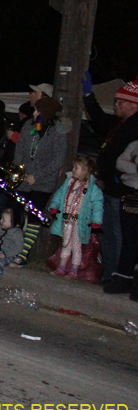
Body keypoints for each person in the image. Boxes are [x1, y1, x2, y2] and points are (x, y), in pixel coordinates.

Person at [82, 74, 138, 284]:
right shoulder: (121, 123)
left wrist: (117, 175)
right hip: (109, 188)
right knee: (106, 233)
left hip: (122, 191)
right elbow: (99, 118)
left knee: (120, 234)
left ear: (133, 105)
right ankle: (110, 272)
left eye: (120, 102)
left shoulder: (134, 127)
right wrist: (88, 95)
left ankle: (120, 275)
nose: (115, 105)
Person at [8, 96, 66, 265]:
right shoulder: (29, 126)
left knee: (34, 215)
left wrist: (37, 176)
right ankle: (6, 249)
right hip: (23, 178)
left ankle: (23, 255)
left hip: (43, 182)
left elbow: (58, 160)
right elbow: (19, 150)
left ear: (45, 114)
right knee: (13, 211)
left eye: (37, 111)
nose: (33, 113)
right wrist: (19, 170)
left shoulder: (58, 132)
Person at [45, 157, 103, 278]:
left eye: (76, 167)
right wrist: (54, 207)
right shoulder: (69, 182)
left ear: (86, 170)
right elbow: (59, 195)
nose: (73, 170)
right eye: (73, 167)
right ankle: (61, 267)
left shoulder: (92, 188)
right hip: (66, 219)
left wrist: (96, 221)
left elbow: (98, 205)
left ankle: (74, 270)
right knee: (66, 243)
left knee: (76, 245)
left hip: (80, 222)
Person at [110, 140, 138, 299]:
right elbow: (120, 162)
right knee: (129, 238)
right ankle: (122, 278)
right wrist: (135, 168)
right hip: (129, 193)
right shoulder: (134, 145)